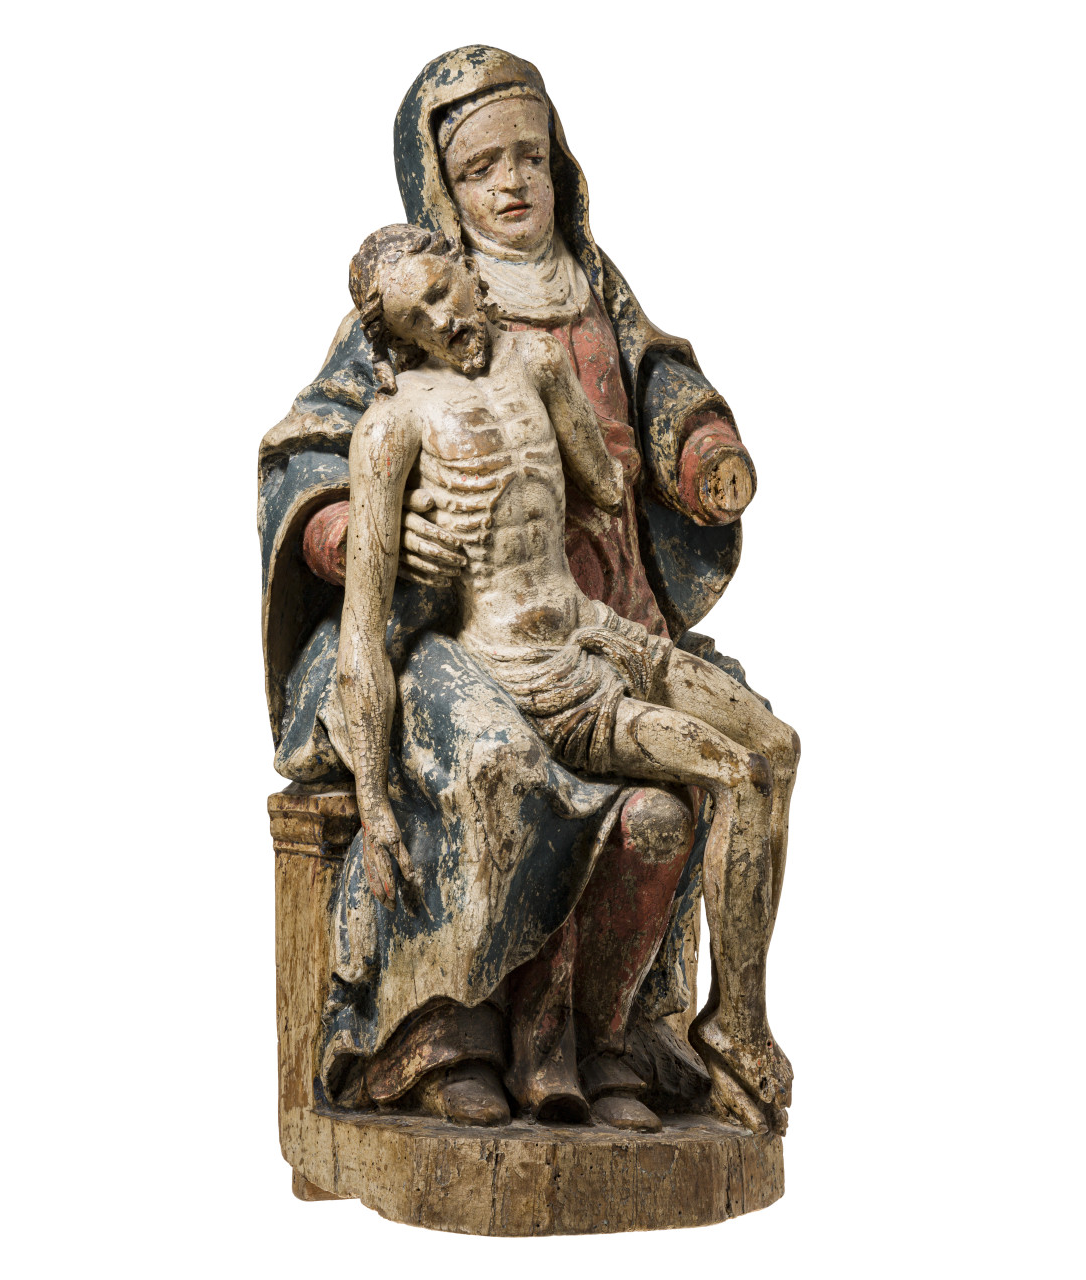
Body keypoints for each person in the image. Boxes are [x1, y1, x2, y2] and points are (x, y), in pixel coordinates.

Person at [258, 47, 797, 1134]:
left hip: (604, 611)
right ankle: (450, 1037)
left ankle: (618, 1037)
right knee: (489, 772)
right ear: (439, 190)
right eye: (480, 168)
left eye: (530, 157)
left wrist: (698, 448)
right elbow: (309, 449)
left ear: (562, 164)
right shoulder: (410, 313)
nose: (511, 183)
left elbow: (659, 380)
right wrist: (352, 531)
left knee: (707, 779)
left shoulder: (590, 289)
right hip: (460, 634)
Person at [338, 223, 789, 1132]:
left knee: (772, 748)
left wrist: (577, 415)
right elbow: (360, 634)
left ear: (468, 272)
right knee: (731, 775)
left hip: (593, 634)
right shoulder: (393, 425)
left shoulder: (539, 363)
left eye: (446, 291)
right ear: (397, 339)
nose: (445, 319)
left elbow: (607, 490)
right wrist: (374, 803)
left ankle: (735, 1021)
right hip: (521, 675)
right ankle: (717, 1034)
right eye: (419, 317)